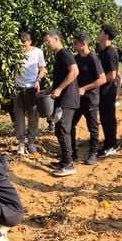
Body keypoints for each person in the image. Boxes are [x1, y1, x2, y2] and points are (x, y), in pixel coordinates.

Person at [43, 30, 80, 177]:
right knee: (59, 129)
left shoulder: (65, 53)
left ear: (56, 39)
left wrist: (59, 89)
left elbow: (74, 71)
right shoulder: (58, 56)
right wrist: (49, 90)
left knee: (63, 129)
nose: (46, 44)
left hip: (68, 98)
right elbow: (60, 79)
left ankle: (69, 164)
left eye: (48, 41)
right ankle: (64, 160)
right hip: (62, 98)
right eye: (45, 42)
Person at [71, 32, 106, 165]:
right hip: (76, 99)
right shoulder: (75, 59)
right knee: (70, 125)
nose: (73, 45)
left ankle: (93, 153)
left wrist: (84, 88)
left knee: (93, 128)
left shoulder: (93, 59)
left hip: (90, 99)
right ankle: (72, 151)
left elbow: (102, 79)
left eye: (75, 43)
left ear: (83, 44)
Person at [13, 31, 46, 155]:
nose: (23, 47)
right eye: (21, 45)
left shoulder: (38, 52)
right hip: (18, 88)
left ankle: (31, 142)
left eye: (25, 44)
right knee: (19, 116)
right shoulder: (15, 53)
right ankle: (21, 142)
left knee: (33, 115)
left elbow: (42, 68)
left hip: (32, 88)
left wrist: (38, 80)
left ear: (30, 42)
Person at [97, 25, 121, 158]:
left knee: (108, 118)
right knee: (106, 117)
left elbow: (112, 75)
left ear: (106, 36)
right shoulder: (103, 51)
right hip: (103, 90)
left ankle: (110, 145)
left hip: (108, 90)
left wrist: (96, 83)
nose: (98, 33)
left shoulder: (110, 52)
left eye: (100, 32)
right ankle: (110, 142)